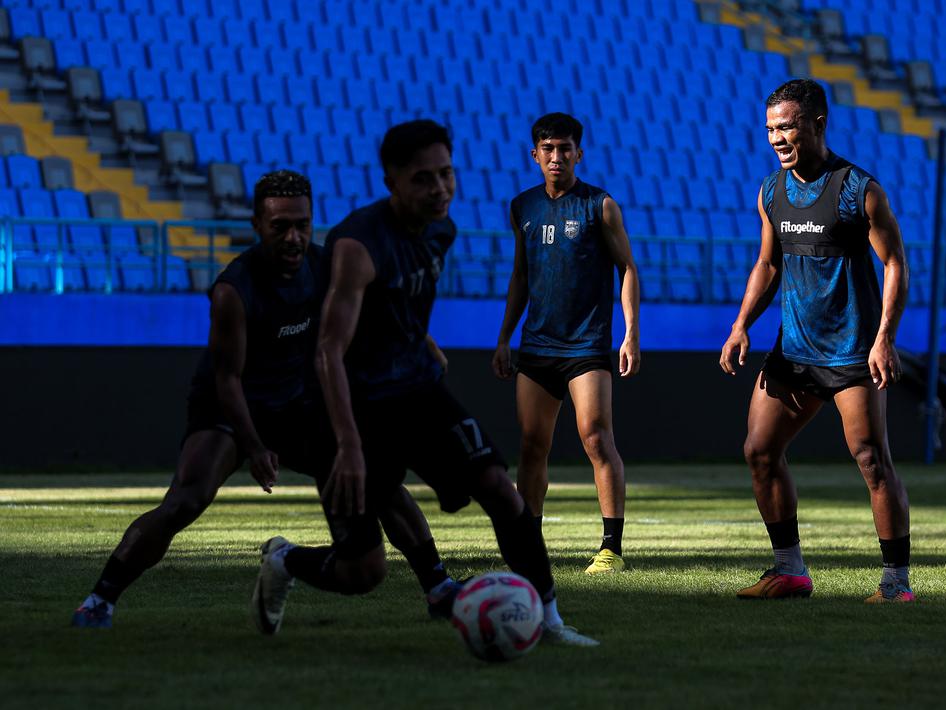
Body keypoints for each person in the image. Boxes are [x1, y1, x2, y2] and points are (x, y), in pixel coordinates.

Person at [253, 122, 597, 645]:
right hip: (356, 408)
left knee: (498, 488)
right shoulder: (357, 246)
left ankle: (548, 620)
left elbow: (397, 305)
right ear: (391, 181)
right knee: (362, 571)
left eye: (446, 174)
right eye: (423, 179)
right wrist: (347, 445)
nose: (439, 189)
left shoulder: (441, 229)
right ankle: (284, 559)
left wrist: (421, 339)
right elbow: (327, 350)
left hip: (417, 390)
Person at [71, 171, 457, 629]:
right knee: (186, 500)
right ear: (257, 224)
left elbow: (377, 316)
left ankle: (436, 587)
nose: (293, 237)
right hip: (230, 406)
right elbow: (228, 379)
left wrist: (422, 343)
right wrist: (254, 446)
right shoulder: (234, 290)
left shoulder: (327, 266)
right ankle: (99, 600)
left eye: (302, 225)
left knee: (372, 504)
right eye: (280, 227)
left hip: (299, 405)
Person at [719, 79, 914, 603]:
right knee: (760, 451)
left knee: (871, 460)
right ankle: (789, 571)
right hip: (794, 352)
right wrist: (741, 325)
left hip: (852, 351)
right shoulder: (771, 192)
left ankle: (895, 582)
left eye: (787, 127)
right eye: (770, 129)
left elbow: (895, 263)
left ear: (818, 123)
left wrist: (884, 338)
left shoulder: (858, 189)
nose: (777, 138)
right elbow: (768, 264)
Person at [492, 112, 641, 575]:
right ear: (534, 155)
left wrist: (631, 333)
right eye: (548, 149)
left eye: (564, 149)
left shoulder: (601, 205)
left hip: (586, 346)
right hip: (536, 346)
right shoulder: (522, 207)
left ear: (579, 153)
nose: (556, 157)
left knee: (596, 437)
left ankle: (611, 549)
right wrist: (504, 337)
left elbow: (627, 268)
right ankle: (528, 546)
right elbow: (520, 275)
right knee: (532, 445)